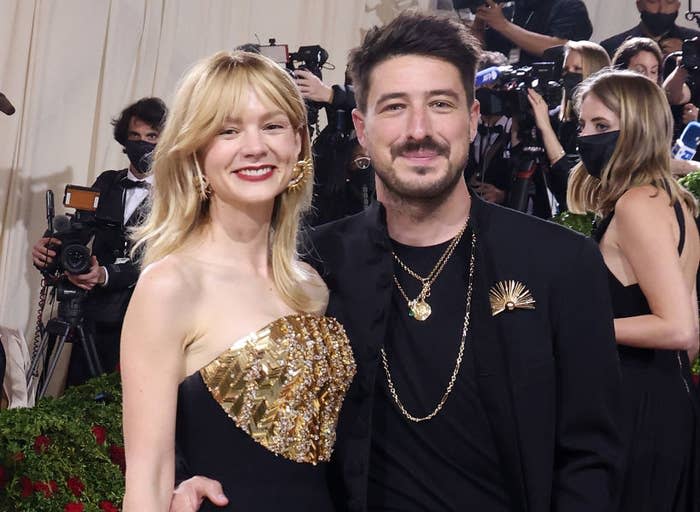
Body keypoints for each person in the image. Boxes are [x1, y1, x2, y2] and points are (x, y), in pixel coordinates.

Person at [172, 11, 622, 512]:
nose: (418, 129)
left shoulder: (560, 262)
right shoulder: (308, 266)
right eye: (394, 107)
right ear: (362, 128)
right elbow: (215, 378)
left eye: (440, 104)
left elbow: (591, 456)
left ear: (472, 119)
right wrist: (184, 476)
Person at [120, 51, 357, 512]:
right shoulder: (171, 285)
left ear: (299, 143)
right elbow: (147, 478)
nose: (255, 147)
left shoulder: (312, 283)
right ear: (196, 151)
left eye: (272, 126)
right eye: (228, 131)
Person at [568, 69, 700, 511]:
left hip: (632, 410)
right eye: (582, 125)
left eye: (601, 126)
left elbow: (677, 328)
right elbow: (692, 334)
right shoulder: (674, 199)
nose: (586, 137)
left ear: (639, 126)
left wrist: (576, 328)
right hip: (663, 402)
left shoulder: (637, 205)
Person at [31, 97, 166, 386]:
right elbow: (78, 230)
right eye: (135, 136)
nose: (143, 144)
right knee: (78, 391)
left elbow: (164, 255)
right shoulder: (107, 181)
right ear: (124, 140)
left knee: (121, 399)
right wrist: (51, 250)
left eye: (151, 137)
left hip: (143, 315)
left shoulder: (177, 194)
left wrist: (105, 274)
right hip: (91, 313)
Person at [525, 40, 610, 214]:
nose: (569, 77)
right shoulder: (557, 117)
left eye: (578, 70)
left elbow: (571, 184)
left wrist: (545, 127)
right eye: (566, 70)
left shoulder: (606, 126)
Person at [472, 0, 593, 66]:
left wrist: (503, 25)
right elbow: (480, 51)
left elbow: (560, 48)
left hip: (542, 94)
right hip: (495, 87)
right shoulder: (505, 6)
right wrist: (478, 25)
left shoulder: (569, 6)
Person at [601, 0, 700, 58]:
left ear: (677, 6)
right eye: (653, 1)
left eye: (669, 1)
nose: (661, 9)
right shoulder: (612, 48)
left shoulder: (696, 42)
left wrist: (690, 55)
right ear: (639, 5)